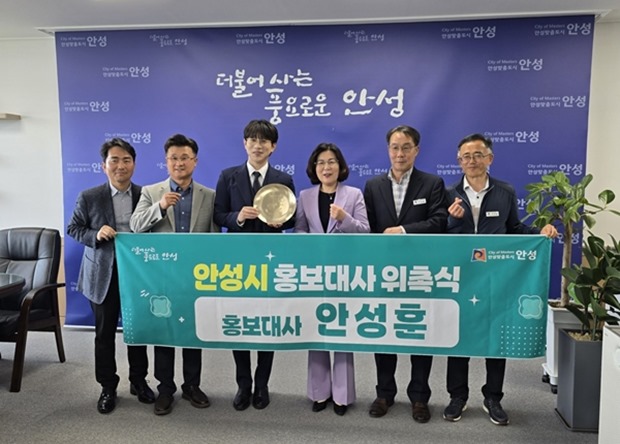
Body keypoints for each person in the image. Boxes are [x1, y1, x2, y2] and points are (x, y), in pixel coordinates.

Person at [443, 133, 557, 426]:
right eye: (466, 156)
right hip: (462, 278)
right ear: (459, 161)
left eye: (478, 155)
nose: (472, 161)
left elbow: (514, 227)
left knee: (497, 336)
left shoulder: (505, 191)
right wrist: (452, 219)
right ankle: (457, 396)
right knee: (459, 336)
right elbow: (440, 235)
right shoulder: (448, 192)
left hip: (497, 277)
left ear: (489, 158)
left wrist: (540, 232)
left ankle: (493, 397)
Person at [129, 133, 219, 416]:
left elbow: (214, 237)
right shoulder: (150, 192)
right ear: (166, 161)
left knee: (193, 332)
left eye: (185, 158)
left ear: (195, 161)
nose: (179, 163)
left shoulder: (209, 195)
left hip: (195, 277)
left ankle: (192, 386)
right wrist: (160, 207)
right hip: (162, 278)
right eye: (173, 158)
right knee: (164, 332)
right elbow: (135, 225)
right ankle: (165, 389)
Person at [363, 125, 448, 423]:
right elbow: (368, 228)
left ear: (416, 150)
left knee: (419, 333)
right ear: (388, 150)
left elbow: (439, 221)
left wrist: (403, 230)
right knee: (384, 331)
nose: (400, 153)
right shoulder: (373, 185)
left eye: (406, 147)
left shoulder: (432, 183)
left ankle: (420, 397)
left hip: (421, 271)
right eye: (395, 147)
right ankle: (384, 393)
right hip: (384, 271)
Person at [67, 138, 154, 414]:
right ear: (103, 166)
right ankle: (107, 386)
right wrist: (96, 234)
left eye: (126, 160)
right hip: (102, 275)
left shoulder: (146, 195)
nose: (121, 166)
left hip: (137, 277)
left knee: (137, 332)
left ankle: (139, 381)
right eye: (114, 160)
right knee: (104, 335)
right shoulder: (89, 196)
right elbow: (74, 228)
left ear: (134, 164)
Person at [214, 119, 295, 411]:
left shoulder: (283, 179)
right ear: (245, 143)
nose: (257, 146)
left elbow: (293, 217)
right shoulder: (228, 176)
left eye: (264, 141)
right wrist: (237, 217)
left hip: (270, 260)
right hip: (238, 261)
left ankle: (262, 384)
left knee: (267, 323)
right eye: (253, 140)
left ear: (273, 147)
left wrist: (281, 222)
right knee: (240, 321)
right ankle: (243, 384)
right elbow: (218, 215)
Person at [294, 142, 370, 416]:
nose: (326, 167)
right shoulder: (305, 196)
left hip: (344, 272)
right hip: (315, 272)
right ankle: (319, 393)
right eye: (321, 163)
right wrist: (310, 242)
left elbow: (365, 231)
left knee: (341, 331)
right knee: (317, 331)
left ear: (340, 166)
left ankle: (342, 396)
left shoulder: (354, 194)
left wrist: (345, 218)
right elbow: (299, 229)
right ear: (314, 168)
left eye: (331, 162)